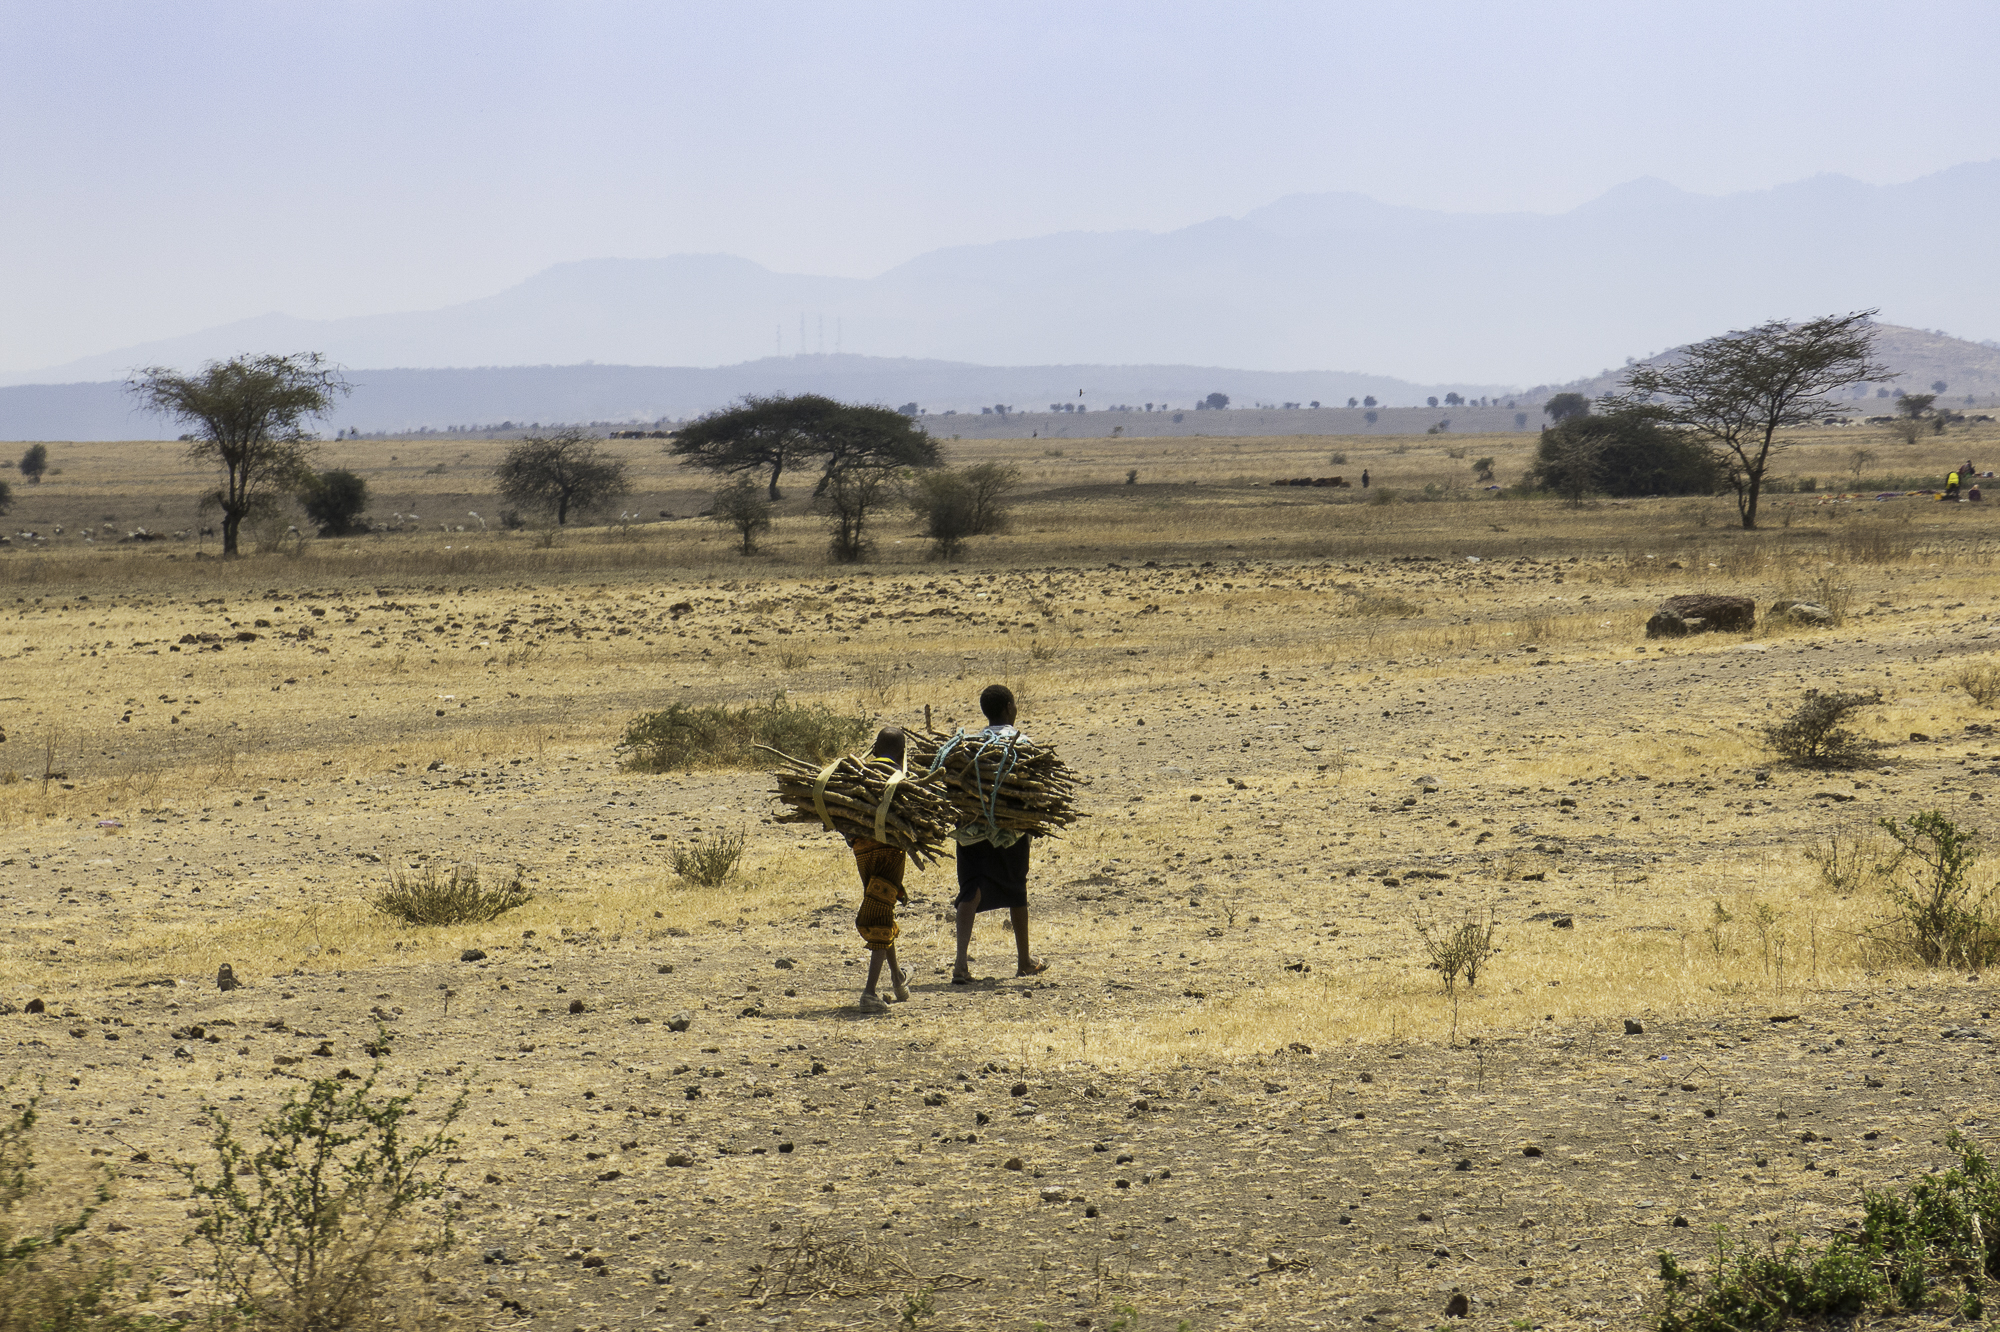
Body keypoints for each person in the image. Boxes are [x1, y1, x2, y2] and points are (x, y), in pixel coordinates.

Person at [951, 684, 1046, 983]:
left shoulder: (968, 746)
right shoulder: (1022, 745)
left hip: (972, 831)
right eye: (1014, 704)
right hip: (1010, 831)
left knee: (971, 889)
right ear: (1008, 708)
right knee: (1016, 889)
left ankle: (961, 964)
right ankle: (1024, 962)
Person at [848, 727, 913, 1014]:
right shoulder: (900, 780)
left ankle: (898, 980)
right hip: (889, 851)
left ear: (874, 750)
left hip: (862, 849)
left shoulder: (858, 774)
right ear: (901, 753)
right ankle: (869, 993)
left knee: (880, 908)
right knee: (880, 914)